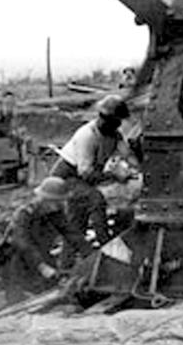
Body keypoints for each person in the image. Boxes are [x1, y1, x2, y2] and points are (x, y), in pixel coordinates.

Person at [50, 94, 135, 257]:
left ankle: (67, 264)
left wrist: (130, 167)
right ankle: (107, 247)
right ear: (105, 119)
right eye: (114, 121)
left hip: (83, 179)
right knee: (96, 200)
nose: (117, 125)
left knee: (76, 224)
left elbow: (128, 155)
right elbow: (86, 173)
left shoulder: (114, 136)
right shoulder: (87, 136)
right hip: (67, 177)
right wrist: (113, 175)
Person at [0, 177, 91, 300]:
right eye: (57, 201)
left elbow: (72, 234)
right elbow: (22, 242)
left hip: (39, 253)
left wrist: (90, 255)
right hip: (15, 257)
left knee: (51, 289)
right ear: (45, 199)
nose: (61, 205)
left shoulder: (55, 212)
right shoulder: (24, 214)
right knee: (17, 295)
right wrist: (42, 266)